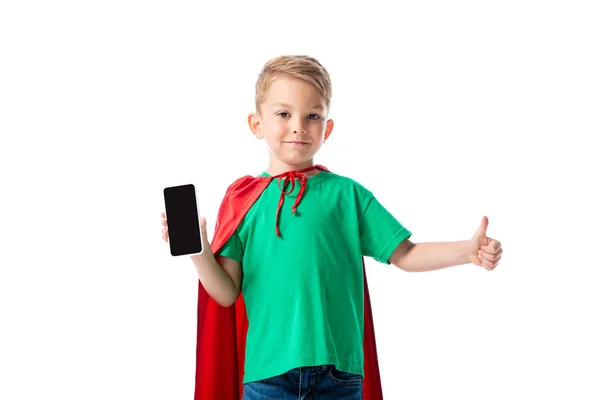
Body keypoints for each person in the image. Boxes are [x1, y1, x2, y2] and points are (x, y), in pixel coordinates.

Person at [160, 55, 503, 400]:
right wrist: (199, 251)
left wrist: (466, 251)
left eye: (313, 116)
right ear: (256, 124)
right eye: (283, 114)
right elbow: (226, 292)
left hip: (339, 376)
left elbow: (406, 253)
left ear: (328, 127)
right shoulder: (242, 200)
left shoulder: (347, 195)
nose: (299, 126)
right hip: (268, 377)